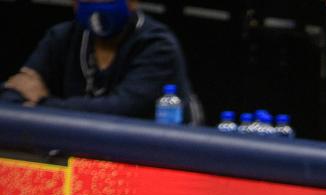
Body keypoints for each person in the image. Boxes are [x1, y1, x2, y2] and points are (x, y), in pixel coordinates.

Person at [0, 0, 197, 122]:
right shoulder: (61, 37)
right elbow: (13, 93)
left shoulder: (157, 45)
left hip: (151, 157)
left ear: (133, 2)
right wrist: (27, 102)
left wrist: (41, 104)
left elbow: (122, 109)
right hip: (75, 150)